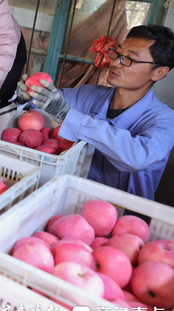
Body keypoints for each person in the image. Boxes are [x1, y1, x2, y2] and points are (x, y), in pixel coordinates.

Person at [17, 25, 174, 202]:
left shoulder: (164, 120)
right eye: (117, 53)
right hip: (70, 198)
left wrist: (68, 117)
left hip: (119, 213)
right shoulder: (89, 94)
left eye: (129, 59)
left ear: (159, 72)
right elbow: (48, 104)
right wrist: (28, 97)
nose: (115, 62)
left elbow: (137, 156)